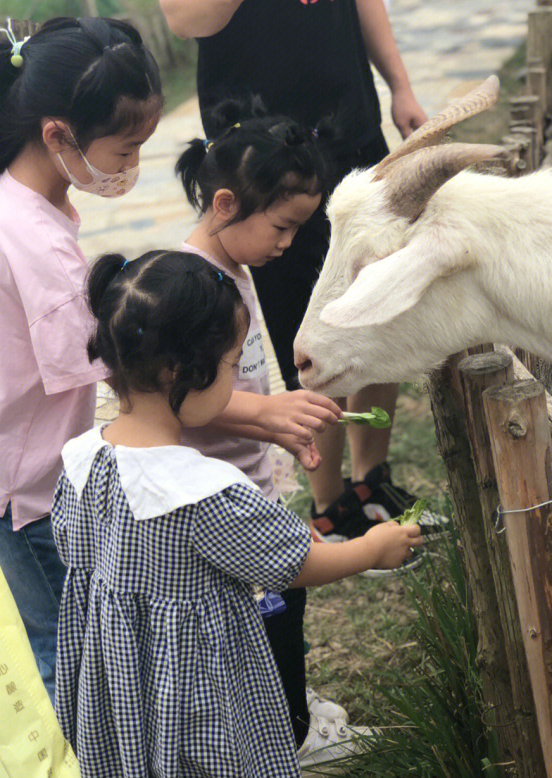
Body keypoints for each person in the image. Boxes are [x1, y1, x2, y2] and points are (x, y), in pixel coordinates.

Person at [52, 250, 422, 777]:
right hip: (193, 692)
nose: (236, 385)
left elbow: (76, 553)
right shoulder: (200, 491)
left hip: (119, 681)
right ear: (179, 371)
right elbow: (292, 566)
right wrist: (371, 548)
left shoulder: (81, 459)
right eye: (231, 366)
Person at [147, 0, 451, 547]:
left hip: (349, 124)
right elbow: (181, 13)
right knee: (310, 326)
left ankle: (370, 480)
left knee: (381, 295)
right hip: (264, 156)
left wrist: (400, 85)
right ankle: (330, 506)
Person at [0, 16, 165, 702]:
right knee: (65, 644)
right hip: (10, 490)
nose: (131, 167)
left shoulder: (1, 193)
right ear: (58, 135)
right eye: (124, 149)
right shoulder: (40, 244)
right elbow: (108, 370)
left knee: (57, 631)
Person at [175, 105, 409, 761]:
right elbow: (182, 400)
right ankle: (286, 736)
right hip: (213, 496)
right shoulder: (194, 286)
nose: (287, 244)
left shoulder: (234, 272)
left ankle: (284, 714)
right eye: (282, 227)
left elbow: (234, 390)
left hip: (244, 482)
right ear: (226, 204)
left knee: (278, 601)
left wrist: (285, 426)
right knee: (277, 599)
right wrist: (270, 416)